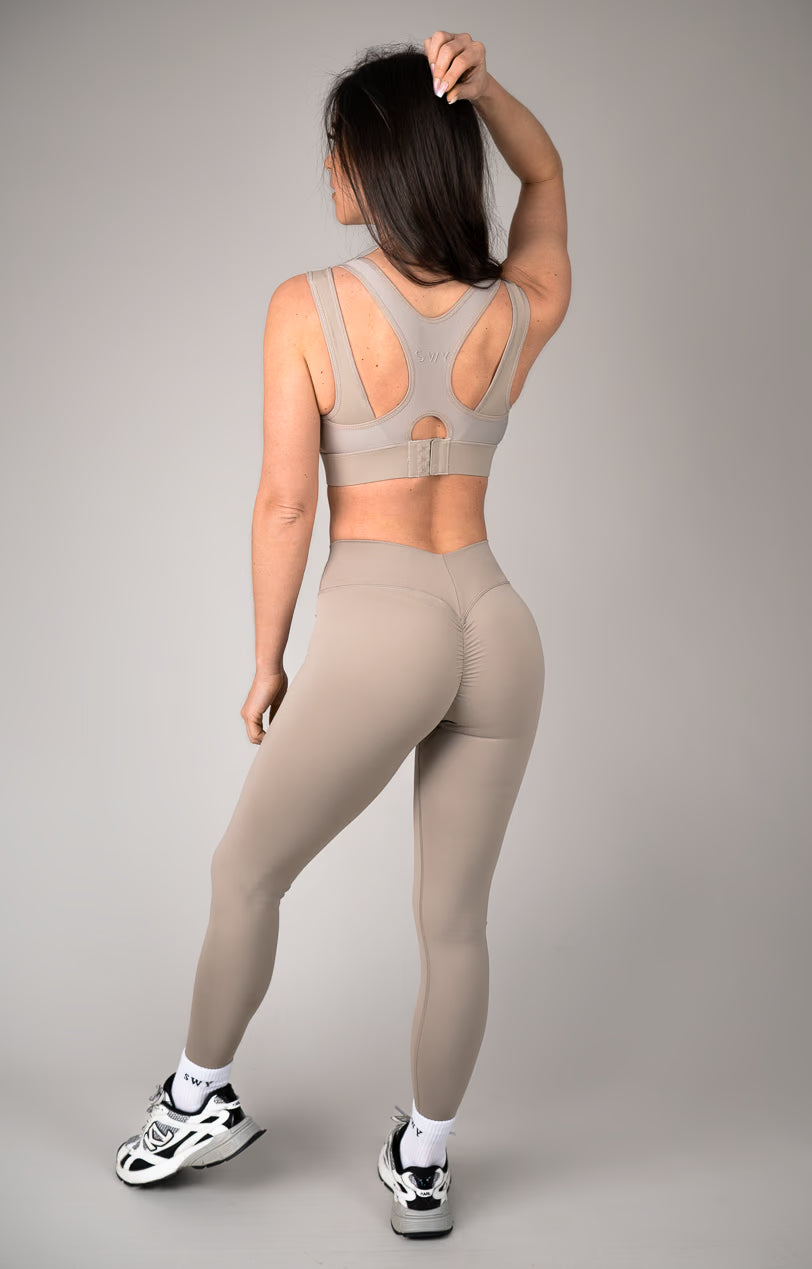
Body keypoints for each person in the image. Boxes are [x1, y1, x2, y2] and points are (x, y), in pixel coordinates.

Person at [115, 29, 570, 1240]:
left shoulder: (307, 306)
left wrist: (268, 659)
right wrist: (489, 94)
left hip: (384, 624)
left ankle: (198, 1100)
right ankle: (424, 1159)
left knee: (244, 874)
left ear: (374, 160)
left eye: (337, 147)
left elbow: (285, 504)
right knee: (455, 923)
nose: (326, 165)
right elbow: (544, 176)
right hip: (497, 619)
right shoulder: (514, 308)